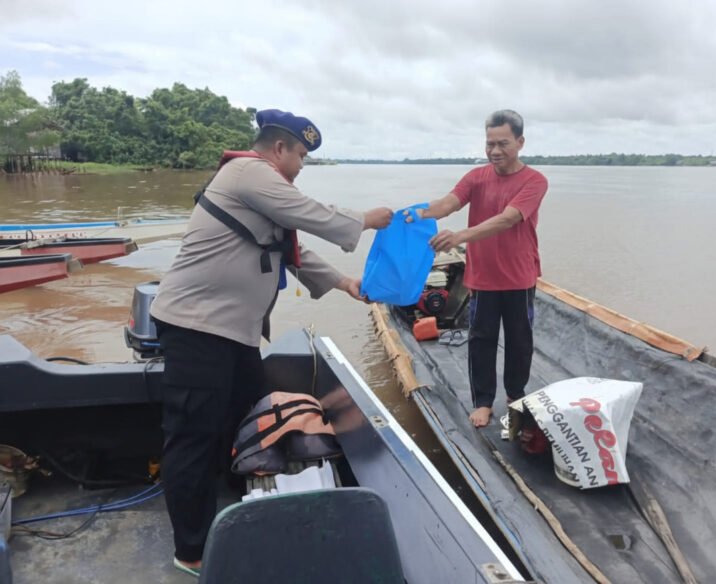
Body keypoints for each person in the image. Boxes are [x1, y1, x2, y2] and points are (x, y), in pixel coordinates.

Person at [149, 109, 392, 576]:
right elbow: (309, 214)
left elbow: (291, 250)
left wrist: (344, 283)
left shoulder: (266, 191)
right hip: (197, 328)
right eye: (300, 154)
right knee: (193, 436)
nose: (301, 164)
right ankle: (192, 550)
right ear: (278, 148)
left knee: (246, 415)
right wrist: (366, 219)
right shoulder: (247, 172)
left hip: (232, 333)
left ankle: (234, 504)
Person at [418, 109, 548, 429]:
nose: (494, 151)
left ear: (520, 142)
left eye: (502, 143)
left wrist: (460, 235)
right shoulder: (476, 177)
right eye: (489, 144)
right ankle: (483, 401)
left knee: (519, 340)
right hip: (483, 277)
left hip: (518, 276)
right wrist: (410, 214)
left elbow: (509, 218)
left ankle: (515, 396)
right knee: (481, 339)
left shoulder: (534, 181)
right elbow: (448, 203)